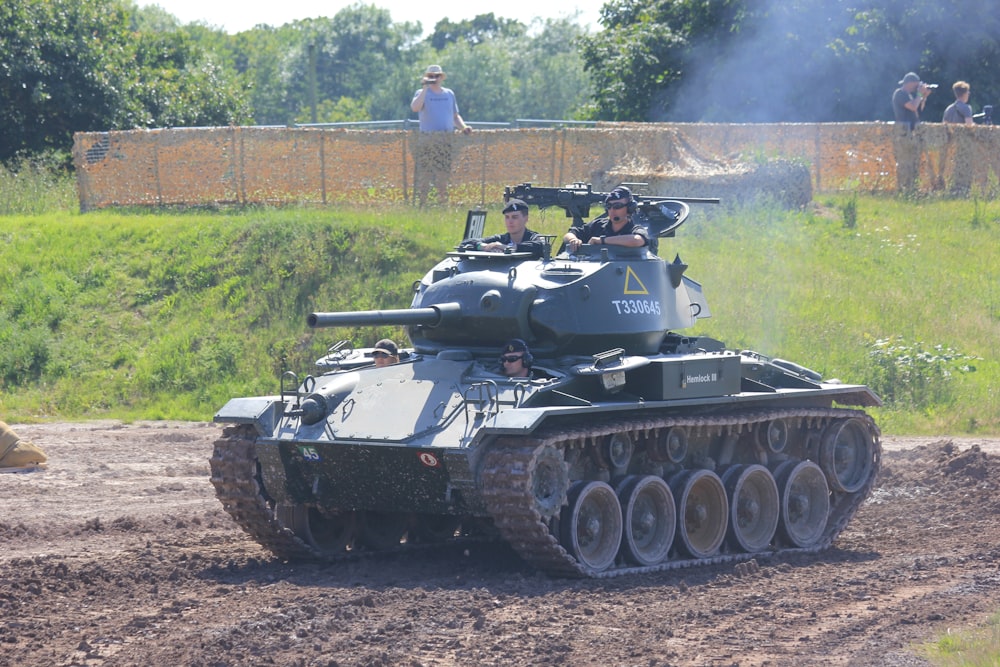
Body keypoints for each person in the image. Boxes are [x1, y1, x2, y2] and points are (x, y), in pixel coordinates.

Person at [409, 65, 472, 206]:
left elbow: (455, 116)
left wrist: (464, 127)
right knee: (424, 175)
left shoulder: (449, 94)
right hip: (426, 141)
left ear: (441, 78)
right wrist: (425, 88)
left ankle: (443, 204)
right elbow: (415, 108)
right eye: (431, 76)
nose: (434, 79)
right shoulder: (421, 93)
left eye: (436, 76)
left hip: (445, 142)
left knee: (442, 176)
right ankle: (422, 205)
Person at [561, 186, 649, 253]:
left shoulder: (635, 229)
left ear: (630, 208)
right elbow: (570, 234)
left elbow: (637, 240)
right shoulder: (598, 226)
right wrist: (573, 240)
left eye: (617, 206)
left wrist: (602, 241)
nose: (612, 210)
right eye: (609, 206)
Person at [891, 72, 934, 194]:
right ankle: (903, 188)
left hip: (912, 131)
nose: (917, 87)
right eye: (916, 84)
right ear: (909, 83)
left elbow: (919, 110)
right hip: (904, 132)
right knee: (905, 161)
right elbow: (913, 107)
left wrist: (924, 97)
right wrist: (920, 94)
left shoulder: (910, 95)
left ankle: (912, 188)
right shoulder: (900, 94)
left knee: (914, 160)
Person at [463, 198, 545, 255]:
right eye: (507, 217)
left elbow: (541, 246)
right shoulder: (501, 239)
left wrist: (507, 247)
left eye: (514, 217)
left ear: (526, 218)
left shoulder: (534, 238)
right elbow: (466, 243)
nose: (510, 221)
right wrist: (484, 247)